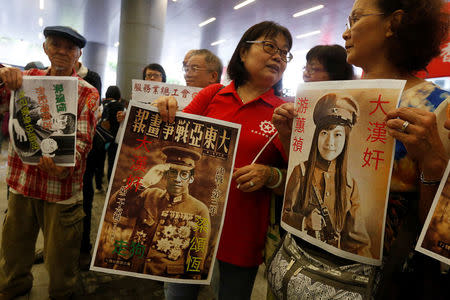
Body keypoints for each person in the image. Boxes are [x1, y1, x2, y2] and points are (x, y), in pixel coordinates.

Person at [272, 0, 449, 298]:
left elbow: (439, 230)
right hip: (298, 265)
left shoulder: (437, 109)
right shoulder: (330, 98)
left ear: (394, 23)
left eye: (355, 19)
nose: (345, 33)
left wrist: (433, 164)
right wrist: (290, 138)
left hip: (374, 280)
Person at [156, 20, 292, 300]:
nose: (279, 56)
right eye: (270, 46)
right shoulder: (213, 94)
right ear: (243, 52)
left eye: (285, 52)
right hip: (188, 222)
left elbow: (296, 176)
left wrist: (269, 174)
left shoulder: (283, 113)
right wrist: (165, 112)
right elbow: (174, 140)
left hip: (243, 232)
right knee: (177, 296)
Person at [0, 26, 99, 300]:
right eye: (56, 44)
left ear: (79, 55)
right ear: (45, 48)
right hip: (22, 183)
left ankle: (62, 294)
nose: (62, 52)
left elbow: (83, 138)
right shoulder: (25, 79)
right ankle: (13, 287)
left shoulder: (87, 92)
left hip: (61, 191)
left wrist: (65, 166)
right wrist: (3, 75)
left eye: (70, 48)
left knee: (61, 260)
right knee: (13, 250)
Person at [283, 93, 371, 256]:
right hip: (299, 256)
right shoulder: (300, 172)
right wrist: (304, 221)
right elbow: (285, 214)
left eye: (338, 134)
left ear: (346, 139)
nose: (330, 142)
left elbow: (357, 241)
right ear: (317, 135)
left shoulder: (349, 183)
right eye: (324, 133)